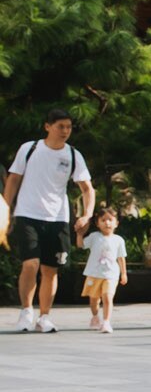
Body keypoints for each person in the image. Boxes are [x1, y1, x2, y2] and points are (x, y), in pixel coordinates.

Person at [5, 110, 93, 334]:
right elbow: (14, 179)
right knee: (30, 264)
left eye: (69, 127)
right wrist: (5, 208)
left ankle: (44, 316)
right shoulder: (30, 149)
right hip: (27, 214)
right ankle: (26, 310)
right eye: (60, 126)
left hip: (57, 218)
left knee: (50, 270)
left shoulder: (73, 155)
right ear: (48, 126)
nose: (65, 131)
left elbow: (86, 189)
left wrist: (87, 214)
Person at [79, 203, 127, 333]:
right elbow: (81, 245)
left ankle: (106, 322)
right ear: (97, 223)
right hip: (94, 273)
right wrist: (79, 234)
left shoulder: (118, 240)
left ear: (116, 223)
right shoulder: (94, 237)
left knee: (107, 297)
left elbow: (121, 257)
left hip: (111, 275)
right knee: (94, 300)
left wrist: (123, 273)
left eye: (110, 220)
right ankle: (95, 316)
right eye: (103, 220)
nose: (107, 223)